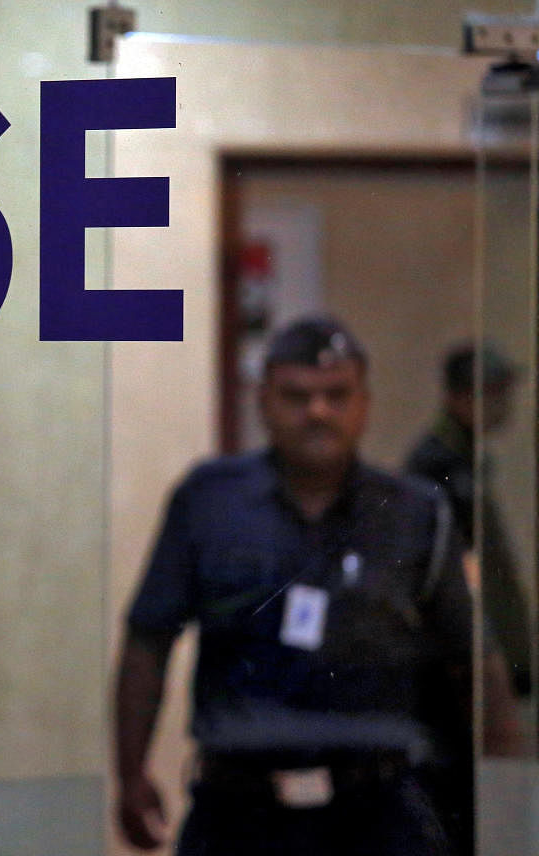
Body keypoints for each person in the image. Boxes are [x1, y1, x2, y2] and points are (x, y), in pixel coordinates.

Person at [115, 317, 473, 855]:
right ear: (263, 402)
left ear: (364, 403)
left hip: (381, 817)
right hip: (237, 816)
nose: (318, 412)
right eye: (297, 396)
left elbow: (470, 661)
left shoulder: (414, 513)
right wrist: (130, 772)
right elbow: (148, 641)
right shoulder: (209, 501)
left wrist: (498, 794)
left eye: (336, 395)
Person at [405, 343, 532, 700]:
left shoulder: (464, 458)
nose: (502, 405)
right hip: (466, 665)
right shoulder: (438, 466)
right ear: (462, 398)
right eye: (493, 393)